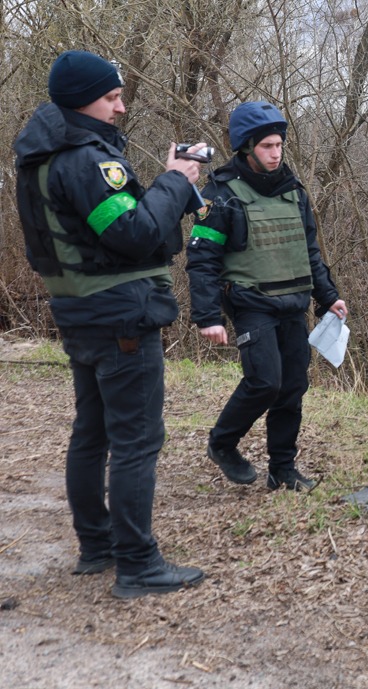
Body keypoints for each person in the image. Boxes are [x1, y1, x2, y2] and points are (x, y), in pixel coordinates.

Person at [13, 50, 207, 598]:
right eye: (112, 97)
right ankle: (137, 565)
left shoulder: (46, 155)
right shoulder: (86, 160)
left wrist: (169, 191)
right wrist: (175, 180)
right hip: (120, 315)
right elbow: (134, 235)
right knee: (136, 441)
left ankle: (96, 547)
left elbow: (104, 232)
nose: (121, 108)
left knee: (92, 434)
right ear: (82, 101)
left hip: (80, 313)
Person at [186, 101, 346, 492]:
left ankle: (283, 470)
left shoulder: (294, 191)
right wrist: (207, 315)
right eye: (267, 147)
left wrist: (328, 297)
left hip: (294, 302)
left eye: (279, 145)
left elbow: (309, 252)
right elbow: (202, 259)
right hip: (251, 303)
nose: (276, 154)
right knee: (264, 383)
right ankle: (222, 443)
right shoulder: (220, 195)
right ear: (246, 147)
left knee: (292, 387)